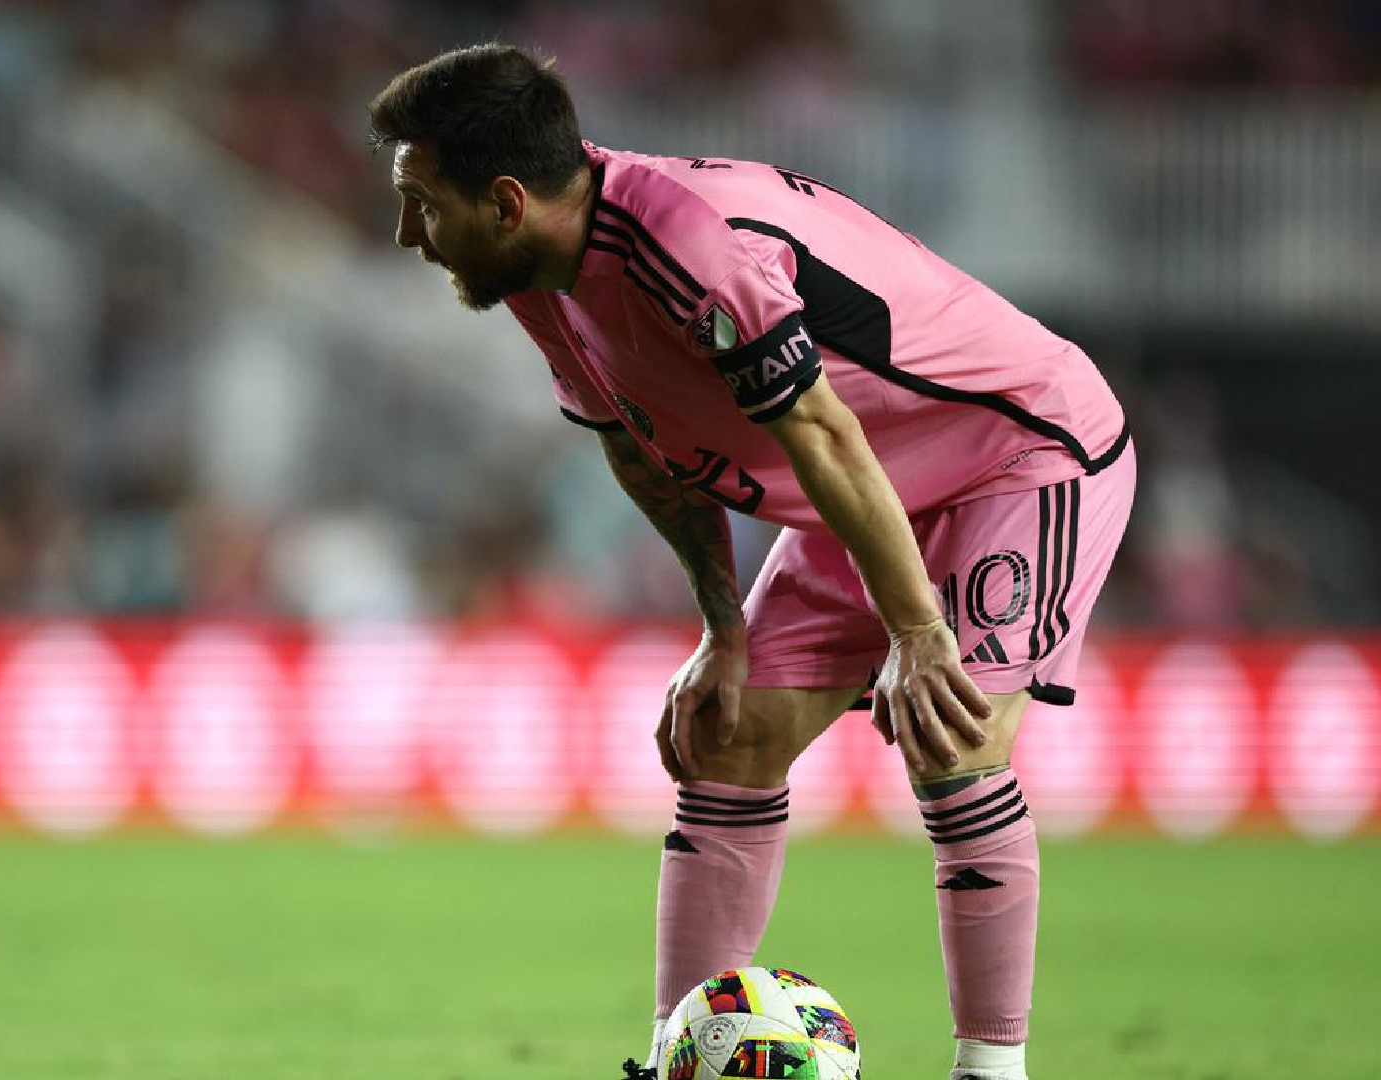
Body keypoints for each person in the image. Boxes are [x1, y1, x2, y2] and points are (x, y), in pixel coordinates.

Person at [367, 45, 1133, 1080]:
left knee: (951, 738)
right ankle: (673, 1058)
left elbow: (820, 431)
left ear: (506, 202)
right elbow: (638, 445)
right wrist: (722, 628)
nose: (406, 232)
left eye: (421, 203)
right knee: (728, 734)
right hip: (864, 483)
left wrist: (918, 631)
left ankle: (990, 1072)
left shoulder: (687, 246)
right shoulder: (539, 277)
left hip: (1017, 451)